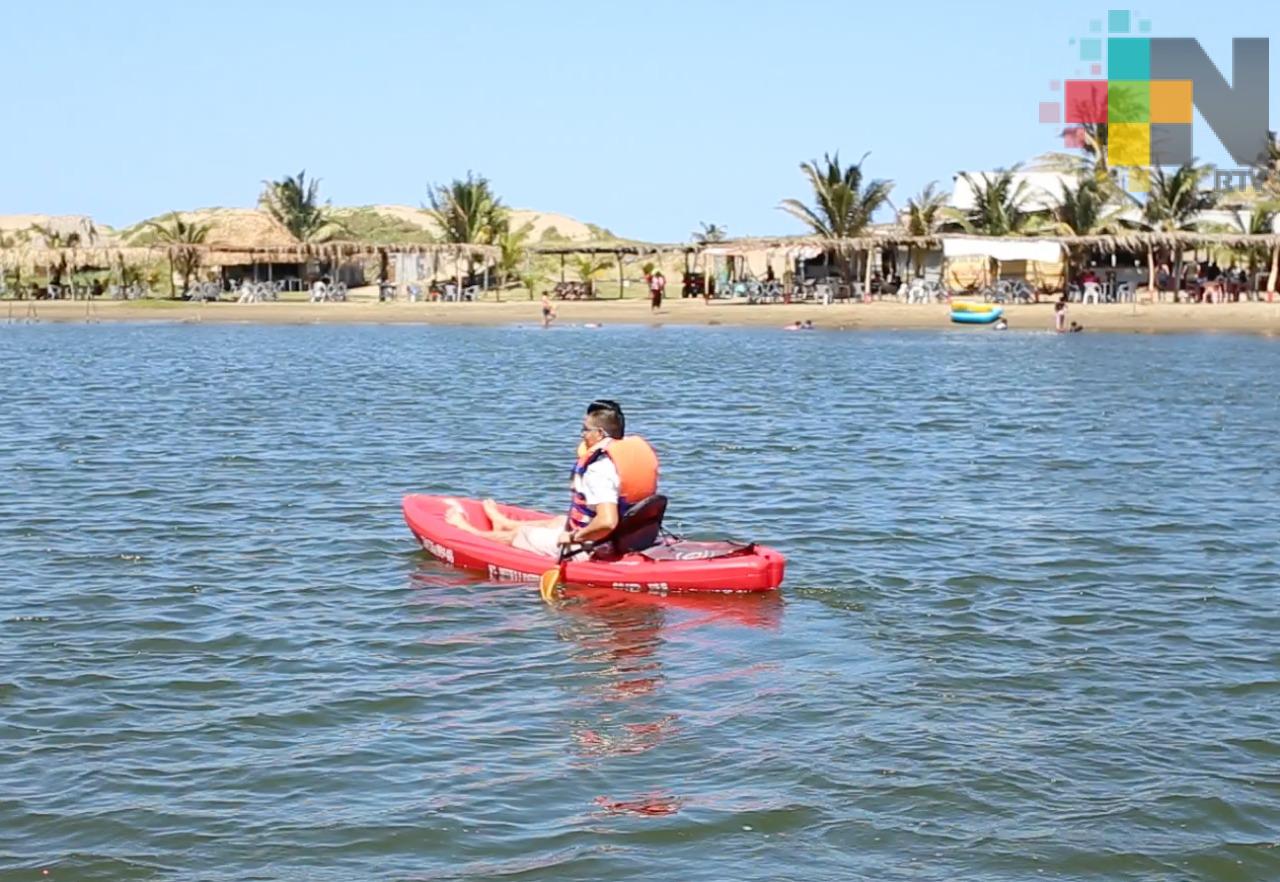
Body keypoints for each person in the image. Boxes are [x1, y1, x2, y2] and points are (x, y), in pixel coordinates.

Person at [444, 400, 660, 558]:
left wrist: (574, 538)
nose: (582, 434)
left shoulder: (599, 469)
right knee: (558, 522)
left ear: (600, 434)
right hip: (626, 538)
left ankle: (469, 532)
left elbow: (606, 521)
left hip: (593, 547)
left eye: (585, 429)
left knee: (522, 537)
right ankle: (506, 523)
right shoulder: (624, 455)